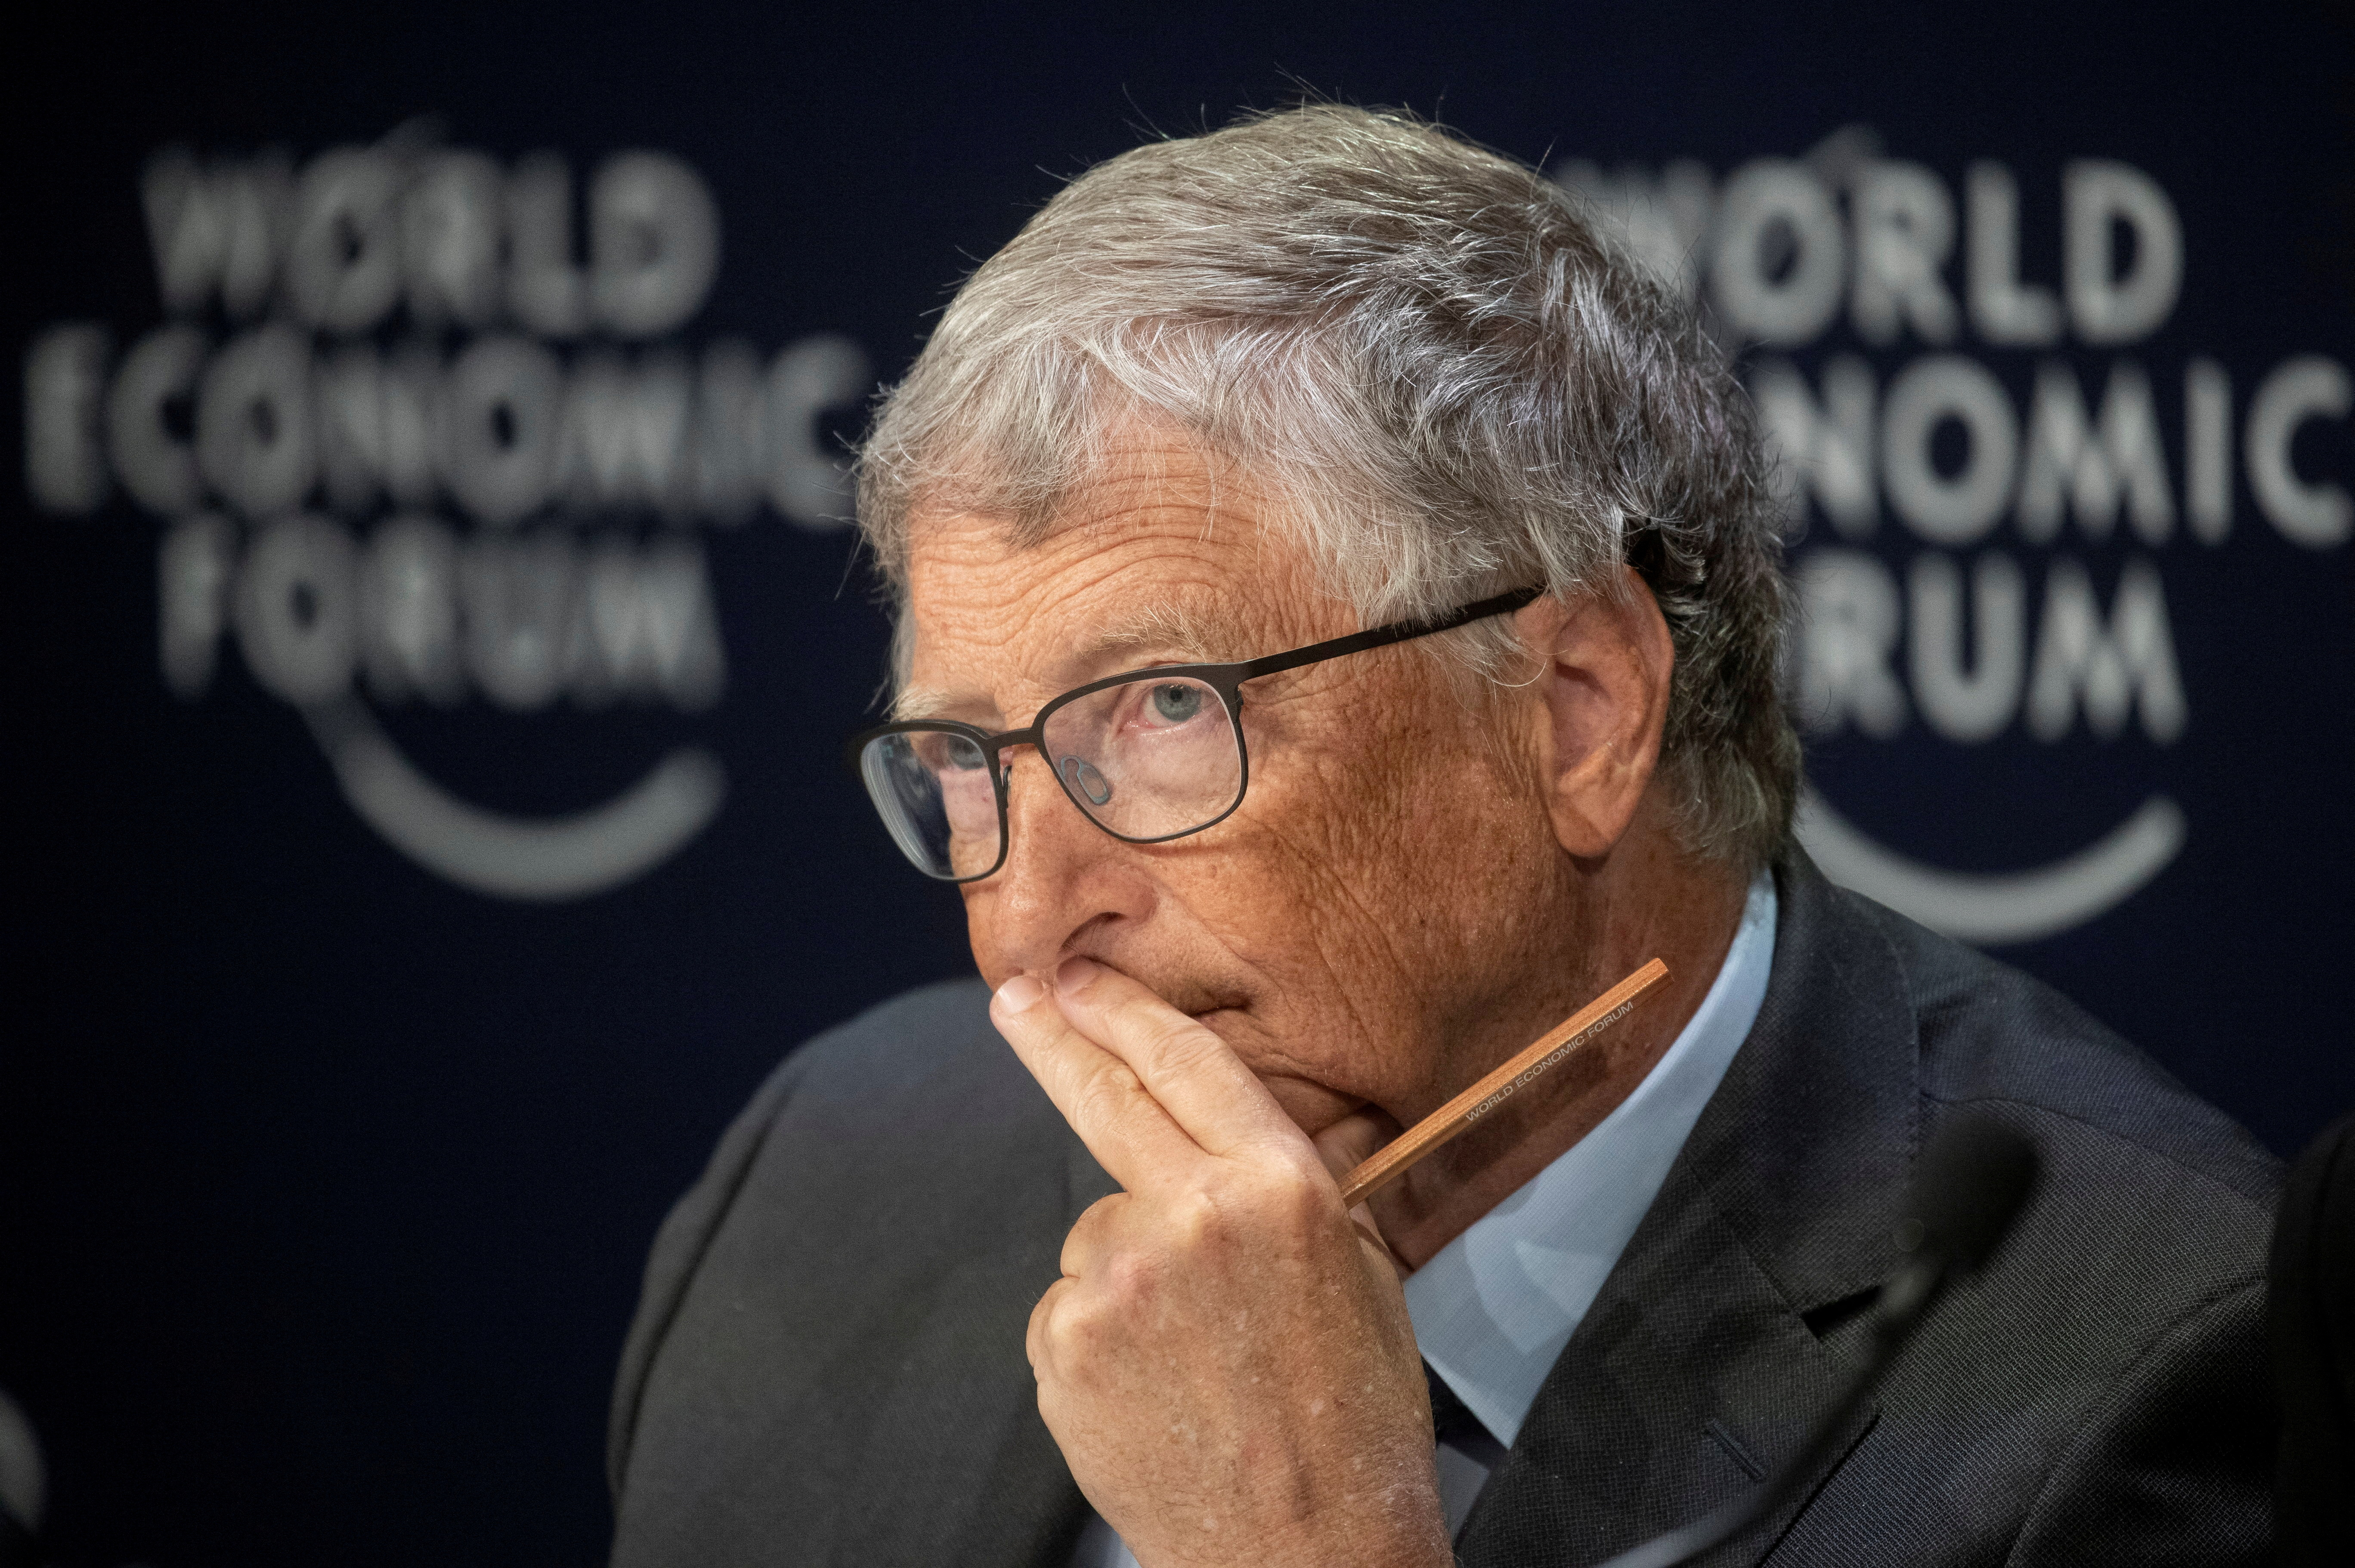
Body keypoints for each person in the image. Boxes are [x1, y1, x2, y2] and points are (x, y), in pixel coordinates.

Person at [606, 106, 2278, 1567]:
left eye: (1169, 710)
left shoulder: (2149, 1367)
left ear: (1578, 710)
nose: (1025, 930)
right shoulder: (831, 1183)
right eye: (967, 758)